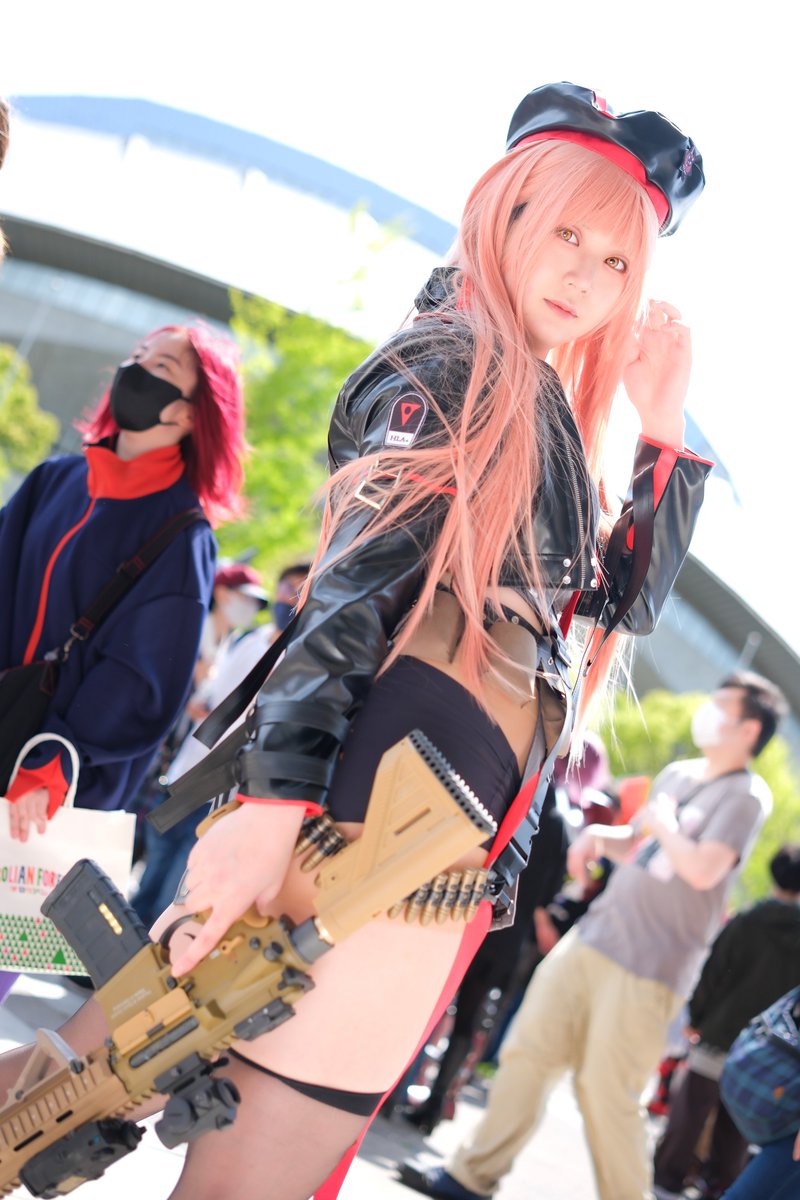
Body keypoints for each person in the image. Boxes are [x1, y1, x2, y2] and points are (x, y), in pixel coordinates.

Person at [0, 81, 710, 1200]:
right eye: (564, 232)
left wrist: (663, 432)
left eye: (617, 260)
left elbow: (614, 609)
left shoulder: (529, 398)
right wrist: (273, 808)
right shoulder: (454, 362)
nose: (584, 275)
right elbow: (352, 593)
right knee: (95, 1118)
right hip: (360, 837)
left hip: (416, 846)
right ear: (503, 214)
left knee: (71, 1098)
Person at [402, 671, 785, 1200]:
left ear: (749, 729)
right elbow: (640, 844)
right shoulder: (679, 774)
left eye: (722, 706)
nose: (708, 713)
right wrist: (602, 838)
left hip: (650, 967)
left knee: (608, 1093)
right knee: (528, 1054)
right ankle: (470, 1177)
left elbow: (702, 869)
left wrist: (664, 824)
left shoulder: (746, 796)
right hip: (594, 937)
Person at [0, 324, 246, 840]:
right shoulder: (55, 480)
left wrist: (56, 759)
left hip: (48, 779)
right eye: (137, 355)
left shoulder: (182, 535)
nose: (135, 369)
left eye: (161, 367)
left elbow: (141, 678)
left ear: (189, 413)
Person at [653, 844, 800, 1200]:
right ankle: (717, 1184)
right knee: (737, 1125)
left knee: (690, 1111)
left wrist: (697, 1017)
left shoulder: (749, 919)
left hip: (720, 1033)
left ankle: (666, 1181)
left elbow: (715, 969)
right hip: (771, 1051)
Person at [131, 562, 270, 929]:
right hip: (166, 764)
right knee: (151, 869)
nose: (249, 608)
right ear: (221, 592)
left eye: (255, 603)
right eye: (244, 598)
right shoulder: (200, 633)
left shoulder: (231, 641)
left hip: (191, 772)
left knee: (163, 877)